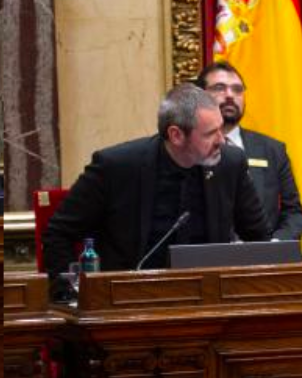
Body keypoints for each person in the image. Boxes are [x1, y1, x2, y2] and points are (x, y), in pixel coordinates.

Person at [43, 84, 269, 274]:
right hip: (129, 302)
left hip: (210, 298)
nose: (222, 140)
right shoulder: (116, 167)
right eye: (211, 133)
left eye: (221, 129)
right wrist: (73, 294)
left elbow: (259, 239)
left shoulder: (230, 164)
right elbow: (58, 234)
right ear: (176, 135)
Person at [195, 62, 302, 241]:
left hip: (263, 258)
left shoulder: (272, 150)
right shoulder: (187, 147)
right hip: (207, 258)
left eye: (237, 90)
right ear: (199, 96)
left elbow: (293, 212)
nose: (230, 95)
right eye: (219, 88)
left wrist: (275, 244)